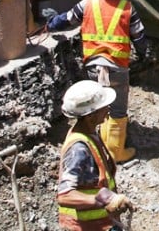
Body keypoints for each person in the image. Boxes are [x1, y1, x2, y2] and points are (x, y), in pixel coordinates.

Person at [48, 0, 148, 163]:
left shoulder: (88, 4)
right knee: (118, 108)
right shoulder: (127, 8)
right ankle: (116, 152)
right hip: (117, 65)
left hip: (94, 64)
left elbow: (67, 19)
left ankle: (99, 146)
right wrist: (143, 54)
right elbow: (139, 36)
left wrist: (50, 25)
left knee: (101, 102)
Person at [57, 80, 133, 230]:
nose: (108, 109)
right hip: (87, 226)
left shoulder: (89, 132)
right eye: (103, 107)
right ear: (90, 116)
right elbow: (64, 195)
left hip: (103, 222)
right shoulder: (79, 149)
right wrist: (102, 200)